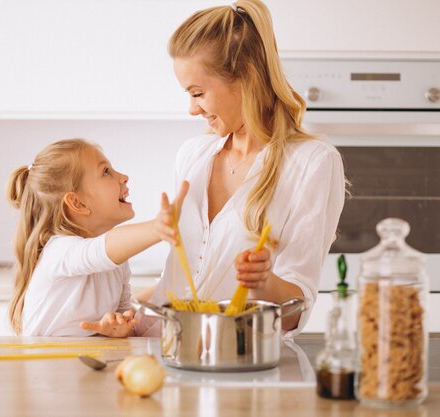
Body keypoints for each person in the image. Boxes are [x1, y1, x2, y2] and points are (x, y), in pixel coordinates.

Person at [135, 0, 346, 336]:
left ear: (247, 75)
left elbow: (295, 310)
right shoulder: (192, 154)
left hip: (242, 365)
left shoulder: (312, 162)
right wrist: (130, 319)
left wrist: (264, 283)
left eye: (198, 92)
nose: (192, 109)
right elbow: (177, 282)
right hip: (167, 356)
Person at [7, 138, 188, 337]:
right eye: (106, 172)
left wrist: (118, 327)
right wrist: (157, 228)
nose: (124, 177)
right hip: (43, 365)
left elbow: (123, 316)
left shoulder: (117, 262)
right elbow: (100, 250)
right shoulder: (58, 251)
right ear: (78, 203)